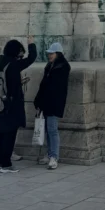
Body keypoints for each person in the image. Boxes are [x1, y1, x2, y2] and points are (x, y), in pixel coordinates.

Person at [0, 35, 37, 173]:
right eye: (20, 53)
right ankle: (6, 164)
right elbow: (32, 58)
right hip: (12, 103)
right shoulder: (14, 64)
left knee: (1, 132)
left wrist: (19, 82)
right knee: (10, 134)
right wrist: (31, 44)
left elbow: (8, 80)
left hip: (2, 100)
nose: (21, 56)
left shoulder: (1, 61)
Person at [33, 42, 70, 170]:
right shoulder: (50, 66)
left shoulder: (63, 67)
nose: (49, 55)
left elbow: (55, 87)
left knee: (52, 130)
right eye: (49, 53)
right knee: (48, 130)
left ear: (58, 54)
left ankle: (54, 156)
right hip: (46, 102)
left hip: (54, 103)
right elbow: (43, 85)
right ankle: (49, 155)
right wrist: (38, 100)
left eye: (52, 53)